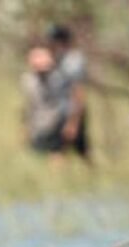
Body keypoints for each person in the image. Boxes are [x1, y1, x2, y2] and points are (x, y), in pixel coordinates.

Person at [48, 24, 91, 160]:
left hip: (71, 113)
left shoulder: (73, 61)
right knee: (58, 152)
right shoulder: (59, 59)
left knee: (80, 152)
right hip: (60, 113)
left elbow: (78, 91)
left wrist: (73, 122)